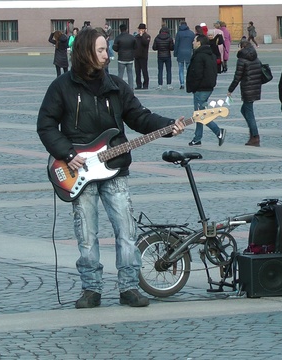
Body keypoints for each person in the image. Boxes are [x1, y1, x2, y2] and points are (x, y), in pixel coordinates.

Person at [36, 27, 185, 309]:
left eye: (107, 49)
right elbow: (45, 125)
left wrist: (168, 126)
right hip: (78, 170)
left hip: (115, 169)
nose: (108, 55)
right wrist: (67, 153)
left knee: (126, 232)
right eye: (102, 50)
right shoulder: (62, 87)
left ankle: (129, 287)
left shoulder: (116, 86)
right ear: (86, 52)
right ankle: (91, 289)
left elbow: (139, 117)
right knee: (87, 235)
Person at [186, 34, 226, 147]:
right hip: (208, 87)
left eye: (194, 40)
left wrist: (193, 86)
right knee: (199, 113)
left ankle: (219, 132)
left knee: (200, 115)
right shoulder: (210, 54)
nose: (193, 42)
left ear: (199, 43)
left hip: (201, 88)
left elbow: (196, 73)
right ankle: (197, 138)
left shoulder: (199, 56)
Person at [227, 40, 263, 146]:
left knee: (248, 112)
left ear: (242, 47)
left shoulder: (242, 59)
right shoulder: (255, 57)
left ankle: (255, 136)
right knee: (245, 110)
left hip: (247, 89)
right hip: (255, 87)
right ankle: (252, 134)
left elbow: (237, 77)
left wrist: (230, 90)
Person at [112, 24, 136, 89]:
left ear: (120, 30)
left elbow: (114, 47)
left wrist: (118, 50)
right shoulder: (132, 37)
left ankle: (119, 86)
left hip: (121, 58)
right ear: (127, 29)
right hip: (130, 58)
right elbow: (135, 46)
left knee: (120, 74)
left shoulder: (118, 38)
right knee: (130, 73)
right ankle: (131, 87)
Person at [174, 21, 195, 90]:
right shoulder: (191, 33)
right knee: (189, 69)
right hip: (189, 53)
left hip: (180, 53)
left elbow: (176, 44)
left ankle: (182, 84)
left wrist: (175, 53)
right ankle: (190, 83)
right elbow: (194, 44)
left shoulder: (179, 33)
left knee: (181, 70)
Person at [152, 26, 174, 90]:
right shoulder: (170, 38)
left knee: (160, 71)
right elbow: (172, 48)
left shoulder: (157, 38)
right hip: (167, 56)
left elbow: (154, 48)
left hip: (160, 56)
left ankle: (160, 85)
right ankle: (169, 84)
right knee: (169, 70)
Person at [134, 23, 151, 90]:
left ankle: (145, 84)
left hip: (143, 56)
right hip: (137, 56)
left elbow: (145, 43)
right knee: (137, 71)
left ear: (144, 30)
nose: (140, 30)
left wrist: (141, 36)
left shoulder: (147, 36)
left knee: (144, 71)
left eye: (141, 29)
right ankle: (138, 84)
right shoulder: (136, 37)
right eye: (139, 29)